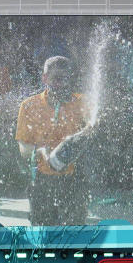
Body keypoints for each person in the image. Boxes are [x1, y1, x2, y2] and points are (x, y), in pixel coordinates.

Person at [15, 56, 90, 226]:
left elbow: (95, 126)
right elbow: (23, 149)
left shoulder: (81, 102)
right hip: (41, 181)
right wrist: (43, 150)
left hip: (74, 179)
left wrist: (78, 138)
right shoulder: (29, 106)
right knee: (43, 238)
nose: (61, 84)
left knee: (75, 236)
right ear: (44, 78)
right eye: (56, 78)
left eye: (66, 79)